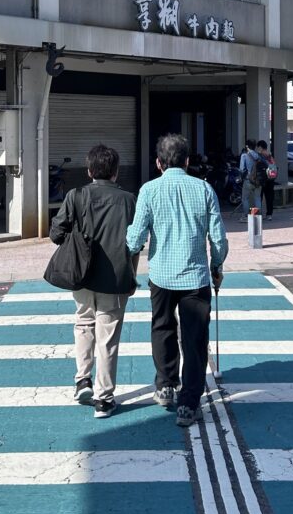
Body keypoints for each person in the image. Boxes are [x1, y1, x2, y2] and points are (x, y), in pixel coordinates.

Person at [126, 133, 228, 428]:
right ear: (187, 161)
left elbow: (135, 237)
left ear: (158, 163)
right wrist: (216, 265)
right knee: (195, 339)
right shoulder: (204, 189)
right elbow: (218, 238)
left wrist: (130, 247)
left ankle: (165, 385)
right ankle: (189, 403)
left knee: (162, 327)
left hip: (161, 275)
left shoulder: (149, 190)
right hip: (195, 276)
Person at [49, 144, 137, 418]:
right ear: (115, 171)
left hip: (82, 275)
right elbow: (136, 242)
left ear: (89, 171)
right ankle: (104, 399)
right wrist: (132, 275)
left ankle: (82, 380)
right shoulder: (128, 200)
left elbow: (56, 233)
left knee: (84, 324)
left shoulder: (75, 195)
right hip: (116, 277)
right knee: (107, 338)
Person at [239, 138, 263, 220]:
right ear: (255, 146)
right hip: (258, 180)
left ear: (247, 146)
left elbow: (242, 169)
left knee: (245, 199)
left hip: (248, 180)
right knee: (257, 198)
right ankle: (257, 217)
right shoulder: (258, 155)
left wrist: (241, 177)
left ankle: (246, 216)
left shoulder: (244, 155)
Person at [256, 140, 277, 218]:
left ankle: (258, 214)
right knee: (269, 197)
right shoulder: (270, 156)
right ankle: (269, 215)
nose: (257, 149)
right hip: (270, 179)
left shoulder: (259, 156)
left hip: (261, 179)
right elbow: (274, 166)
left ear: (260, 147)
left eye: (258, 147)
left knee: (258, 197)